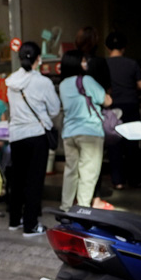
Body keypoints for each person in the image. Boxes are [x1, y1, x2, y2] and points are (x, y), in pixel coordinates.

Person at [5, 42, 61, 237]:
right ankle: (30, 225)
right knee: (34, 181)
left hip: (16, 136)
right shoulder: (43, 82)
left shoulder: (11, 81)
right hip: (36, 135)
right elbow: (54, 109)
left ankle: (14, 220)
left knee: (18, 179)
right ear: (39, 59)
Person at [59, 50, 112, 210]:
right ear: (76, 64)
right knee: (88, 173)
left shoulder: (62, 85)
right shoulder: (87, 80)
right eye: (83, 61)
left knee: (70, 172)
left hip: (69, 133)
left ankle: (66, 207)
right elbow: (106, 101)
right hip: (90, 132)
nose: (86, 64)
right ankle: (82, 209)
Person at [105, 32, 141, 189]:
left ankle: (118, 181)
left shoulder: (104, 64)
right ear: (124, 47)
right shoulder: (132, 63)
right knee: (132, 142)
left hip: (112, 106)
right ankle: (135, 179)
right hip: (130, 104)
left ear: (107, 47)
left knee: (114, 143)